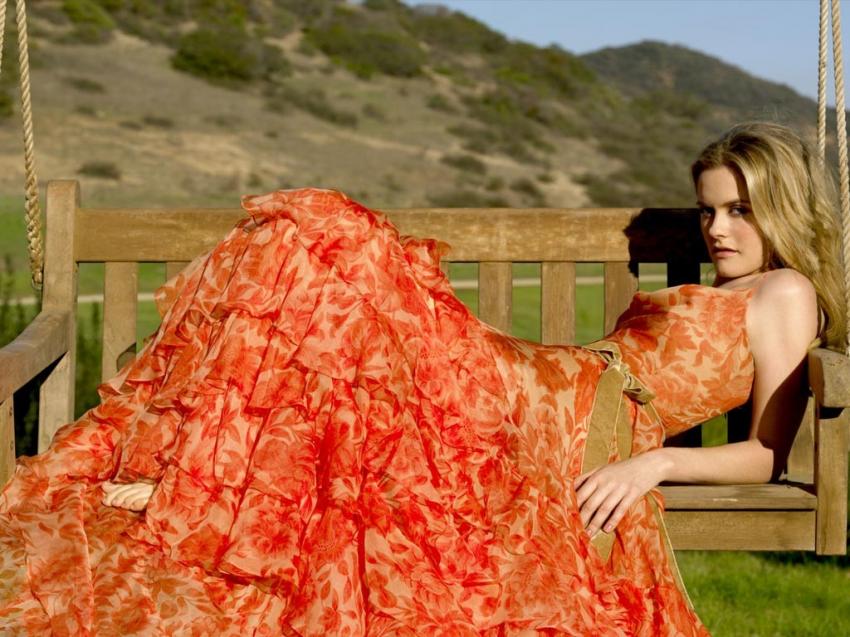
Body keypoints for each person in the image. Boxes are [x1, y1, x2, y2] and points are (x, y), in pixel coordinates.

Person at [0, 122, 843, 636]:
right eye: (709, 208)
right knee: (333, 291)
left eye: (740, 209)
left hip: (572, 420)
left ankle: (201, 483)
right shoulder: (739, 286)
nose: (717, 228)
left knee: (332, 247)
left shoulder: (785, 292)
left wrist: (653, 463)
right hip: (549, 390)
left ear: (782, 205)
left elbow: (767, 454)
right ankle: (207, 481)